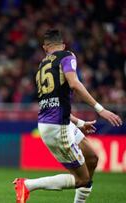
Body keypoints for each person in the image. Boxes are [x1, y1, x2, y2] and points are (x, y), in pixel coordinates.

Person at [13, 29, 123, 203]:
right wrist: (100, 109)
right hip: (57, 127)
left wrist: (79, 122)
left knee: (92, 158)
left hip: (59, 122)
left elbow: (54, 103)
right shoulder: (67, 56)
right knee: (83, 180)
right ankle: (27, 185)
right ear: (63, 45)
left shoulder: (41, 67)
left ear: (45, 47)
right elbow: (74, 84)